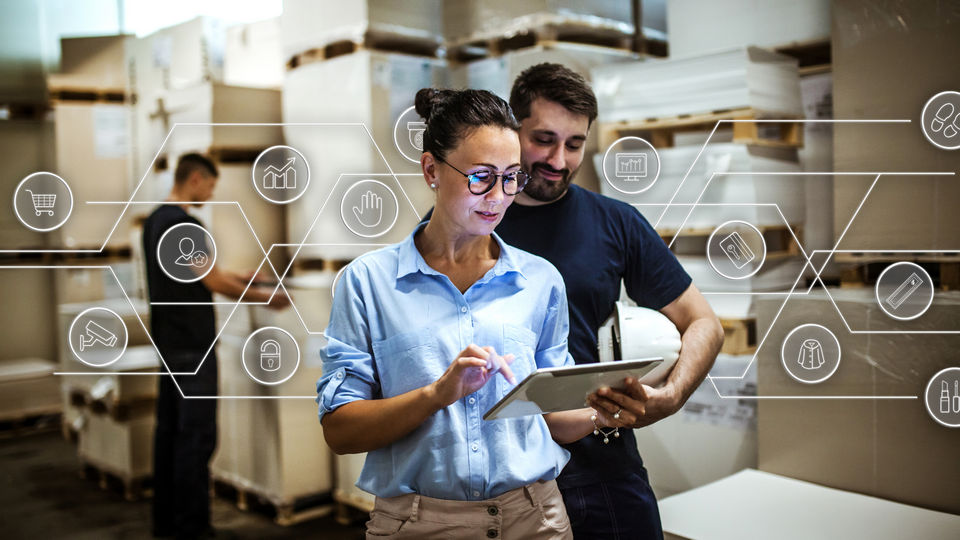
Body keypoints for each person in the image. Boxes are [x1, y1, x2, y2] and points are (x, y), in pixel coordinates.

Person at [316, 88, 631, 539]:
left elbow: (550, 418)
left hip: (535, 519)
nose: (498, 197)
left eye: (511, 178)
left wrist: (606, 411)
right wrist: (437, 394)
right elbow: (340, 432)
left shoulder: (540, 280)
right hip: (417, 525)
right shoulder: (368, 283)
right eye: (481, 177)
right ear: (431, 169)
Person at [498, 64, 725, 538]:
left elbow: (703, 323)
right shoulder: (468, 222)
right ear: (512, 129)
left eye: (574, 144)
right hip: (501, 478)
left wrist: (670, 397)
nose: (558, 160)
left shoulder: (615, 222)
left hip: (602, 470)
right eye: (543, 140)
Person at [142, 153, 289, 539]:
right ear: (194, 179)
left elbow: (201, 274)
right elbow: (213, 282)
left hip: (169, 345)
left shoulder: (156, 221)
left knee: (169, 432)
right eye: (209, 185)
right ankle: (193, 527)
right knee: (197, 437)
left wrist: (242, 276)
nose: (210, 193)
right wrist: (265, 297)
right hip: (194, 348)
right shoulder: (185, 224)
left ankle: (166, 523)